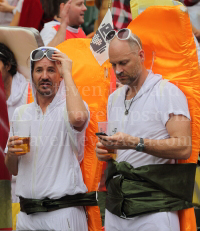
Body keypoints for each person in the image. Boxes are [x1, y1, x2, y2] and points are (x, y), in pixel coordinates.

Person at [95, 29, 192, 231]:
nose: (118, 70)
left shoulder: (167, 92)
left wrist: (134, 142)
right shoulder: (114, 98)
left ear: (141, 55)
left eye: (123, 63)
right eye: (113, 64)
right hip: (116, 206)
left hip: (154, 209)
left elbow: (183, 147)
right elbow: (118, 150)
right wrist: (104, 151)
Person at [5, 46, 90, 230]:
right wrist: (11, 154)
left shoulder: (70, 108)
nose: (44, 76)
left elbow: (78, 118)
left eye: (51, 70)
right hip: (27, 216)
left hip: (63, 214)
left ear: (59, 75)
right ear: (32, 75)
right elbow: (13, 169)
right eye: (39, 70)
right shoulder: (21, 113)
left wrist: (67, 71)